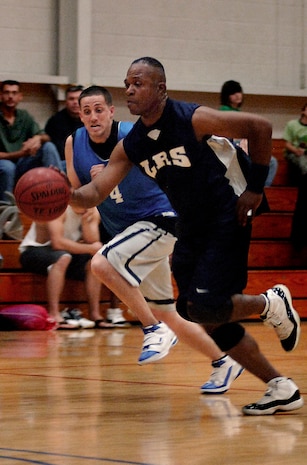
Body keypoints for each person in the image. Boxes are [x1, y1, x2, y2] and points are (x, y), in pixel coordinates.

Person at [69, 58, 303, 415]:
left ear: (160, 89)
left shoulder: (191, 118)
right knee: (196, 311)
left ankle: (270, 304)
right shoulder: (134, 143)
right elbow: (94, 191)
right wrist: (62, 195)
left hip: (227, 215)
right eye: (127, 83)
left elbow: (259, 126)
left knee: (207, 304)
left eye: (139, 83)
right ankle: (280, 386)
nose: (131, 89)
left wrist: (255, 190)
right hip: (189, 225)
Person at [66, 84, 243, 391]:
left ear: (111, 111)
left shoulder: (132, 136)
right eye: (86, 111)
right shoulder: (73, 143)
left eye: (99, 110)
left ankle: (152, 329)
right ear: (79, 116)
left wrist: (110, 173)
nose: (93, 117)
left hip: (162, 218)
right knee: (165, 309)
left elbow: (164, 170)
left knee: (101, 264)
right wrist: (59, 197)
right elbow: (81, 200)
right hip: (130, 234)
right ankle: (223, 362)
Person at [19, 205, 112, 329]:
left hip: (66, 252)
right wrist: (90, 248)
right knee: (63, 257)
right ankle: (54, 314)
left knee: (93, 263)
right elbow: (57, 243)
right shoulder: (58, 207)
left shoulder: (92, 210)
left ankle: (94, 314)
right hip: (33, 250)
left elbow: (93, 242)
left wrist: (85, 223)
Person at [0, 80, 62, 201]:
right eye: (7, 92)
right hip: (4, 162)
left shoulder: (24, 116)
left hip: (23, 162)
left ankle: (58, 193)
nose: (10, 96)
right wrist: (21, 153)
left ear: (20, 97)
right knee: (7, 168)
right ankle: (6, 209)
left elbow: (46, 137)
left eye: (14, 93)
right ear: (1, 95)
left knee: (48, 147)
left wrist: (37, 138)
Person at [219, 79, 278, 187]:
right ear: (227, 96)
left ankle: (262, 188)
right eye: (233, 93)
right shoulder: (224, 111)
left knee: (272, 161)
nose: (237, 95)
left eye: (239, 92)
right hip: (231, 147)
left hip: (243, 145)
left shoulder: (239, 113)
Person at [45, 85, 84, 170]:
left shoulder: (91, 119)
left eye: (78, 99)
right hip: (62, 163)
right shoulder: (55, 121)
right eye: (71, 99)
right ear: (66, 102)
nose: (75, 102)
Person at [283, 102, 307, 182]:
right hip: (293, 152)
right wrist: (296, 151)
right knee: (303, 162)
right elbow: (287, 144)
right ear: (303, 111)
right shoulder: (292, 124)